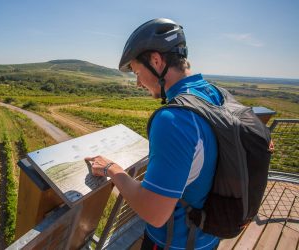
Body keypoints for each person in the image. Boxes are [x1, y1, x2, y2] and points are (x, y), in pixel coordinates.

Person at [85, 18, 221, 249]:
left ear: (156, 61)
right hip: (209, 235)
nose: (138, 83)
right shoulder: (213, 93)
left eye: (137, 72)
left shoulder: (174, 119)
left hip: (174, 241)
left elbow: (154, 213)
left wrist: (112, 169)